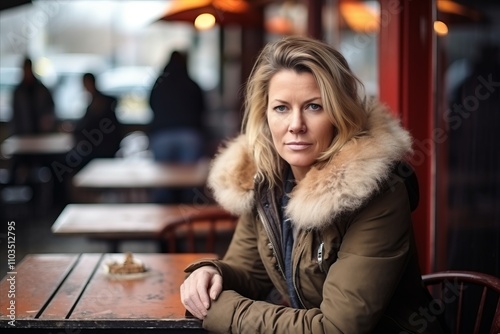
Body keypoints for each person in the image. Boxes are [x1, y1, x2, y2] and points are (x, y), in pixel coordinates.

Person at [180, 36, 446, 333]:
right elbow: (249, 272)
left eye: (314, 107)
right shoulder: (269, 179)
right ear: (264, 115)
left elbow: (336, 328)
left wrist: (221, 311)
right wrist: (211, 273)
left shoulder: (378, 191)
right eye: (281, 108)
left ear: (340, 114)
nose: (295, 124)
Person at [148, 50, 206, 203]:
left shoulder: (159, 83)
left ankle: (163, 221)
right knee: (190, 185)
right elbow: (202, 109)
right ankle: (187, 221)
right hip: (189, 135)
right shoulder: (191, 83)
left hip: (162, 135)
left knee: (162, 183)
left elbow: (151, 105)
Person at [71, 72, 122, 169]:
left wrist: (75, 129)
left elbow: (90, 125)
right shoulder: (96, 101)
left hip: (101, 148)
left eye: (85, 83)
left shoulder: (99, 103)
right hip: (98, 147)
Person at [11, 56, 55, 135]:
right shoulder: (19, 92)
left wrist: (47, 120)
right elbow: (15, 115)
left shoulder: (42, 89)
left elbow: (50, 108)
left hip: (41, 131)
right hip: (24, 132)